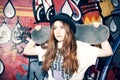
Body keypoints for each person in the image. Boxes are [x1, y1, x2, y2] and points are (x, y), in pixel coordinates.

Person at [23, 13, 113, 80]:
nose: (58, 32)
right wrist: (36, 35)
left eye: (62, 28)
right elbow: (27, 51)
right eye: (55, 28)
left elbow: (108, 52)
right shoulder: (50, 47)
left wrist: (100, 34)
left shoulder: (82, 47)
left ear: (68, 30)